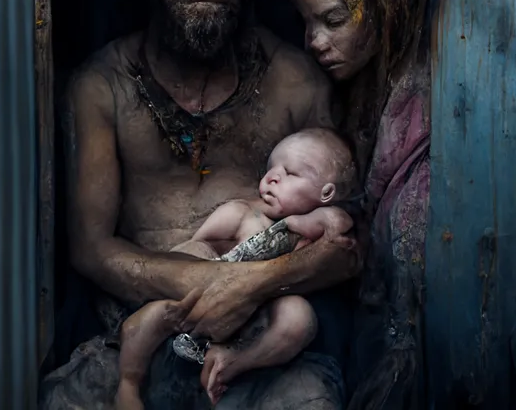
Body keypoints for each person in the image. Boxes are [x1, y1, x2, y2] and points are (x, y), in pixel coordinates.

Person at [39, 0, 360, 410]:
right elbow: (90, 247)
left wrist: (256, 289)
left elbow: (340, 244)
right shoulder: (101, 86)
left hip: (262, 345)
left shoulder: (297, 81)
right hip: (133, 336)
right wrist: (218, 285)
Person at [292, 0, 430, 410]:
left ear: (384, 4)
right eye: (306, 22)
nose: (314, 41)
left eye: (331, 20)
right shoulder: (356, 93)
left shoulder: (428, 100)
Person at [116, 128, 356, 410]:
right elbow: (192, 250)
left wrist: (294, 223)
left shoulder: (310, 223)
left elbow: (338, 225)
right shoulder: (244, 214)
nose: (272, 177)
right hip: (203, 299)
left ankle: (235, 363)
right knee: (148, 320)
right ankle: (128, 383)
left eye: (290, 173)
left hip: (258, 315)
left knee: (299, 318)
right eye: (271, 168)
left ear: (326, 193)